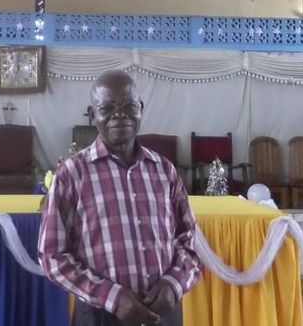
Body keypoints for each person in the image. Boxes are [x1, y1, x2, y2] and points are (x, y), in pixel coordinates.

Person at [38, 70, 201, 325]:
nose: (119, 114)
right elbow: (52, 256)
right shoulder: (72, 175)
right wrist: (111, 296)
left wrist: (174, 283)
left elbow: (188, 239)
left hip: (163, 312)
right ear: (93, 115)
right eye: (107, 108)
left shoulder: (164, 170)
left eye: (128, 106)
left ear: (141, 109)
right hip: (100, 314)